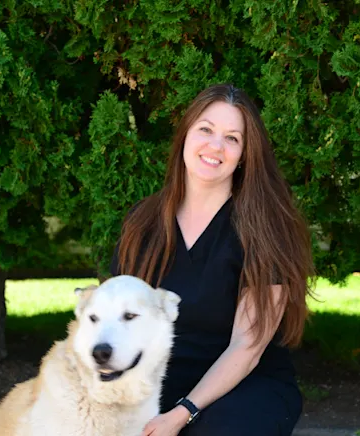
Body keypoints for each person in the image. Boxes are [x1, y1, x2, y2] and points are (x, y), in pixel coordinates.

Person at [110, 83, 315, 436]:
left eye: (232, 138)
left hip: (244, 384)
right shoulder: (142, 222)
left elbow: (246, 347)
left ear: (245, 154)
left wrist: (181, 413)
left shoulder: (267, 228)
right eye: (206, 129)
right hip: (159, 378)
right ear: (186, 135)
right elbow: (115, 326)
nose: (215, 146)